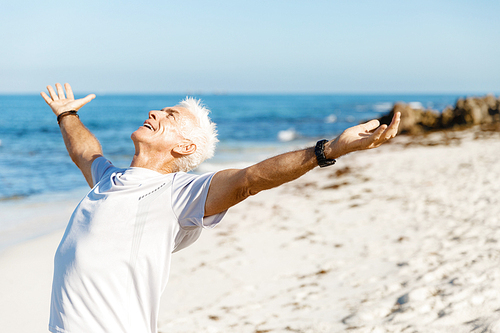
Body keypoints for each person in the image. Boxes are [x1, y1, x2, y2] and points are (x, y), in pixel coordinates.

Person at [41, 83, 400, 333]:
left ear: (184, 147)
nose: (154, 112)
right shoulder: (109, 179)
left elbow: (250, 178)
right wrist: (67, 114)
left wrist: (329, 150)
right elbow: (85, 152)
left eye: (169, 115)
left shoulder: (177, 194)